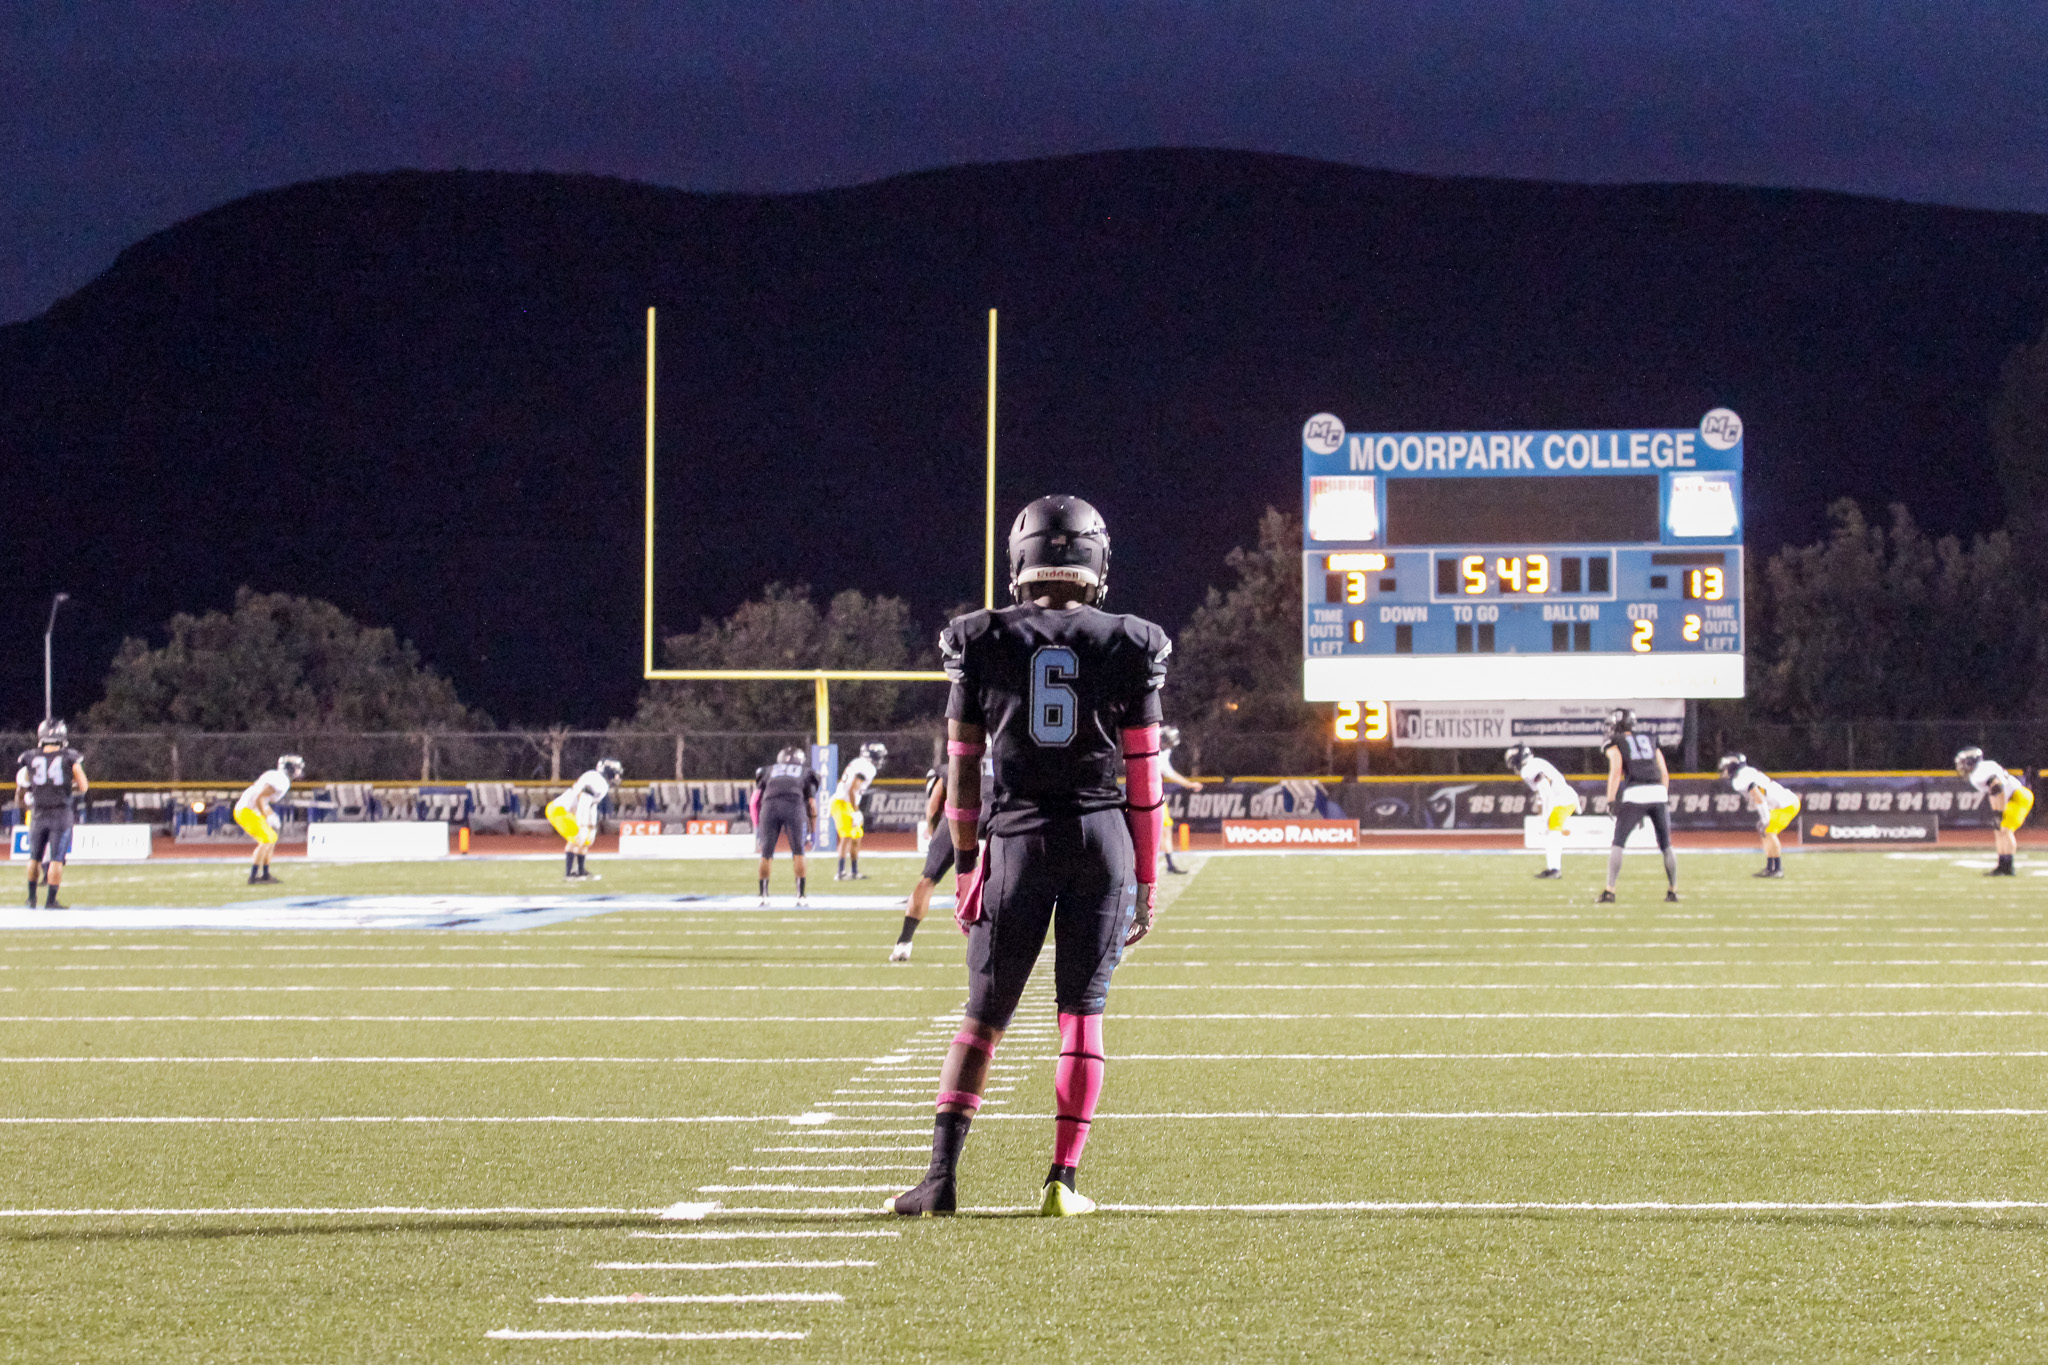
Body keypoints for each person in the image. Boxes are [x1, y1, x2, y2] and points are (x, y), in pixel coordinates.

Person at [888, 494, 1169, 1219]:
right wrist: (1145, 874)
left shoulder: (980, 637)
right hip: (1101, 838)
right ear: (1097, 559)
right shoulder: (1129, 640)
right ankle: (1062, 1181)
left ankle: (941, 1179)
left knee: (983, 1016)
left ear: (1020, 558)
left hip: (1014, 840)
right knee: (1083, 1013)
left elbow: (962, 769)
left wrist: (969, 860)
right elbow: (1145, 781)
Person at [892, 757, 988, 961]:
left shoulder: (948, 768)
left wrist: (935, 834)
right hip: (998, 816)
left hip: (961, 815)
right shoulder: (1007, 762)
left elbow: (934, 806)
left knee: (928, 879)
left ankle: (903, 943)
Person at [1597, 709, 1677, 904]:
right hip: (1658, 791)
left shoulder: (1615, 743)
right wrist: (1662, 796)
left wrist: (1610, 800)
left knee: (1618, 843)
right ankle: (1673, 891)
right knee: (1666, 845)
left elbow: (1616, 771)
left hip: (1636, 792)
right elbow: (1664, 772)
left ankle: (1610, 891)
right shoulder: (1650, 738)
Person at [15, 719, 88, 908]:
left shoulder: (29, 757)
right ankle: (51, 901)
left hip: (39, 814)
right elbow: (83, 786)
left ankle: (31, 898)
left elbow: (21, 791)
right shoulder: (70, 756)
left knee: (34, 858)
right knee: (56, 859)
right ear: (61, 736)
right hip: (60, 814)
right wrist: (65, 785)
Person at [752, 745, 819, 905]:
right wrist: (813, 831)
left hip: (769, 808)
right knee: (798, 852)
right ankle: (800, 896)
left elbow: (755, 800)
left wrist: (757, 824)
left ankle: (763, 895)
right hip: (794, 807)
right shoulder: (806, 773)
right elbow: (811, 804)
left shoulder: (767, 771)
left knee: (766, 854)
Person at [1719, 752, 1801, 878]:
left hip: (1786, 804)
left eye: (1726, 767)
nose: (1724, 771)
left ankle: (1778, 869)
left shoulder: (1741, 779)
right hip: (1780, 805)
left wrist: (1765, 818)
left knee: (1769, 831)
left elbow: (1758, 797)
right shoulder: (1745, 773)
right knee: (1765, 832)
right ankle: (1770, 868)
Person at [1955, 746, 2033, 876]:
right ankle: (2002, 865)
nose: (1962, 767)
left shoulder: (1980, 772)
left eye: (1963, 763)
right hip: (2012, 798)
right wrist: (1996, 812)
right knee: (1999, 830)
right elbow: (1993, 793)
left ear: (1971, 761)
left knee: (2005, 829)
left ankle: (2008, 866)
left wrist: (1999, 812)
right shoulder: (1983, 768)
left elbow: (1998, 788)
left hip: (2018, 797)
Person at [1506, 742, 1579, 878]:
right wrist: (1543, 815)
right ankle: (1553, 868)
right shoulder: (1534, 764)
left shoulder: (1528, 769)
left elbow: (1546, 790)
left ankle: (1555, 869)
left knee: (1553, 832)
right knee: (1551, 833)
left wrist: (1545, 816)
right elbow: (1541, 793)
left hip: (1561, 799)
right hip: (1562, 798)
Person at [233, 753, 304, 885]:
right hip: (246, 810)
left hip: (250, 810)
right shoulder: (281, 780)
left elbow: (262, 800)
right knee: (267, 839)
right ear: (290, 768)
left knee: (272, 838)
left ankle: (265, 874)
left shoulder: (276, 776)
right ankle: (253, 877)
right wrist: (267, 816)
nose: (299, 770)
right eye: (297, 767)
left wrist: (271, 814)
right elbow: (260, 798)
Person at [546, 757, 621, 881]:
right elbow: (583, 801)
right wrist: (582, 824)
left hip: (570, 810)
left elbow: (591, 805)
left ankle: (580, 871)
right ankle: (569, 874)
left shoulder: (599, 781)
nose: (617, 775)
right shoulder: (597, 780)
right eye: (615, 771)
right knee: (577, 836)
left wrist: (591, 825)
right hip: (559, 810)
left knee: (586, 839)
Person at [829, 741, 887, 880]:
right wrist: (855, 811)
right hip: (842, 803)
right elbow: (852, 789)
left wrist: (855, 809)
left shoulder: (859, 763)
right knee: (847, 837)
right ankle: (841, 872)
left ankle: (854, 871)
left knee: (856, 837)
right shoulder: (866, 767)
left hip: (848, 803)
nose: (880, 759)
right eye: (879, 756)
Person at [1158, 725, 1201, 874]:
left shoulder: (1163, 750)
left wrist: (1189, 784)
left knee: (1166, 828)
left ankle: (1170, 864)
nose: (1167, 747)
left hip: (1156, 793)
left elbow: (1169, 772)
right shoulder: (1148, 742)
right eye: (1167, 743)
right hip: (1141, 793)